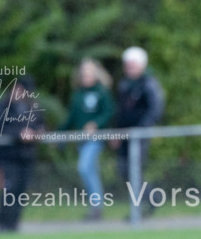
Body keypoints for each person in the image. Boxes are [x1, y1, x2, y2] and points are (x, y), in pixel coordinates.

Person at [60, 58, 114, 220]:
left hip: (96, 139)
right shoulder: (78, 95)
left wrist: (95, 124)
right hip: (81, 140)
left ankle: (97, 207)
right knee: (90, 171)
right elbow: (71, 118)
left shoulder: (102, 92)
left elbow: (109, 113)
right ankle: (96, 208)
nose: (86, 75)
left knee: (84, 167)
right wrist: (57, 132)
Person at [113, 46, 165, 209]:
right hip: (124, 136)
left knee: (133, 170)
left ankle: (143, 205)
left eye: (132, 65)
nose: (129, 68)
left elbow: (155, 110)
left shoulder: (148, 83)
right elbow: (121, 112)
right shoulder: (125, 85)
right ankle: (151, 199)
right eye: (127, 65)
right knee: (124, 170)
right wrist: (116, 133)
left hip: (139, 136)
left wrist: (140, 129)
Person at [0, 75, 44, 233]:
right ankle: (3, 225)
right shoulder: (3, 107)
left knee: (21, 192)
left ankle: (14, 226)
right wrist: (19, 134)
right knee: (9, 192)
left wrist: (37, 133)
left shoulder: (33, 108)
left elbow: (40, 125)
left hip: (26, 158)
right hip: (8, 158)